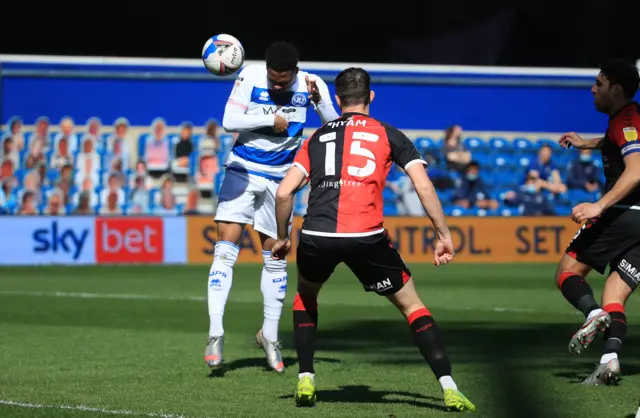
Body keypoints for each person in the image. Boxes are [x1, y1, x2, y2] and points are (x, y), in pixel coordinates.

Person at [271, 67, 476, 411]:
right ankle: (449, 387)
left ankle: (305, 377)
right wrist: (443, 234)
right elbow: (422, 185)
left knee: (306, 296)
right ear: (371, 97)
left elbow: (283, 193)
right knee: (412, 307)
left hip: (317, 234)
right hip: (366, 236)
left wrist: (282, 238)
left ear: (337, 100)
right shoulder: (389, 134)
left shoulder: (316, 137)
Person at [204, 41, 339, 373]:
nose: (277, 85)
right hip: (243, 170)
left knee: (276, 258)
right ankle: (215, 333)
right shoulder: (249, 76)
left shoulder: (312, 83)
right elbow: (228, 119)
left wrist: (319, 102)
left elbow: (336, 126)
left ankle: (270, 335)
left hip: (282, 180)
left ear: (294, 72)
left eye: (283, 81)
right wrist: (269, 118)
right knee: (224, 251)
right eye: (273, 79)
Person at [556, 60, 640, 385]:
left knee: (566, 272)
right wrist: (587, 143)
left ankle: (593, 315)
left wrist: (598, 205)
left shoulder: (627, 121)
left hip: (623, 215)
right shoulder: (628, 119)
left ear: (616, 90)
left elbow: (635, 170)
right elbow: (617, 142)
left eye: (599, 83)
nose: (593, 88)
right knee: (615, 293)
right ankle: (610, 360)